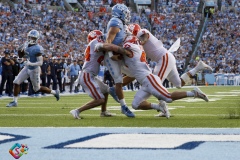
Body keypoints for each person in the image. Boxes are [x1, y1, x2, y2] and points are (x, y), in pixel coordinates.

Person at [95, 35, 210, 118]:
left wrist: (102, 46)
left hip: (149, 79)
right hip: (145, 82)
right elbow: (119, 55)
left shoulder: (132, 49)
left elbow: (119, 50)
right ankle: (160, 107)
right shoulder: (136, 48)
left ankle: (194, 93)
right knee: (135, 104)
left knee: (168, 97)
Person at [128, 24, 213, 117]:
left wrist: (136, 42)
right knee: (179, 84)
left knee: (156, 83)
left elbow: (144, 38)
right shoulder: (136, 41)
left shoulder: (142, 33)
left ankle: (164, 109)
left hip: (163, 58)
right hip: (167, 57)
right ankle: (197, 68)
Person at [69, 31, 118, 119]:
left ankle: (103, 111)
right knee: (100, 99)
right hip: (87, 75)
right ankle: (77, 110)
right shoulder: (94, 43)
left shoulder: (94, 45)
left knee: (105, 90)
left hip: (91, 75)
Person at [6, 30, 60, 107]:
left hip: (34, 69)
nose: (31, 39)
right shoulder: (25, 45)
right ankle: (15, 101)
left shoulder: (37, 48)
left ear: (36, 39)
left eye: (33, 38)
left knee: (37, 89)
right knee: (16, 82)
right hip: (27, 67)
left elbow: (40, 62)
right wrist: (20, 59)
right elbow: (23, 55)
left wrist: (30, 63)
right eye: (30, 37)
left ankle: (54, 92)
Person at [104, 3, 134, 117]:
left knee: (134, 73)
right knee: (118, 80)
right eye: (125, 13)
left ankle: (113, 89)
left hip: (120, 55)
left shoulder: (121, 23)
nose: (127, 15)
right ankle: (123, 106)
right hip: (111, 55)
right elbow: (108, 42)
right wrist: (111, 55)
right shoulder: (115, 22)